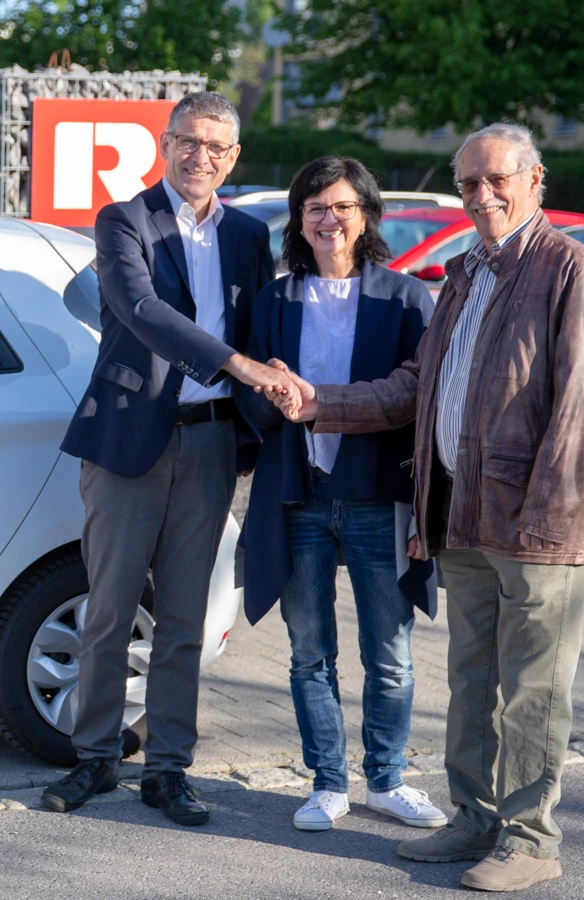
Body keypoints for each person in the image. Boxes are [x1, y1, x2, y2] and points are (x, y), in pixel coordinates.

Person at [272, 123, 584, 892]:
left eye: (496, 179)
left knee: (534, 689)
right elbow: (414, 391)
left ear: (535, 179)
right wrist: (316, 402)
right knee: (471, 680)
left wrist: (547, 523)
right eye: (468, 184)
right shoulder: (465, 274)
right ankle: (474, 819)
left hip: (537, 530)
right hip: (463, 515)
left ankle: (531, 840)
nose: (481, 195)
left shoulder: (576, 269)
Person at [46, 91, 288, 825]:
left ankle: (169, 768)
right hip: (129, 439)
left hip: (211, 441)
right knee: (110, 611)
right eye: (188, 141)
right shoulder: (124, 220)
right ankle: (93, 757)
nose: (200, 157)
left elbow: (262, 317)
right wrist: (240, 366)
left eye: (216, 148)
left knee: (184, 618)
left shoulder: (248, 234)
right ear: (165, 141)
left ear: (233, 158)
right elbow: (142, 311)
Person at [239, 156, 445, 833]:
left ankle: (386, 780)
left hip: (378, 495)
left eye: (342, 207)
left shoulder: (406, 298)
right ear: (298, 221)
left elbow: (422, 407)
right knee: (308, 649)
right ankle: (327, 782)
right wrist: (268, 392)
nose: (329, 220)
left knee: (389, 652)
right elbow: (252, 406)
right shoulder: (274, 300)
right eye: (315, 208)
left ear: (366, 216)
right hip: (298, 497)